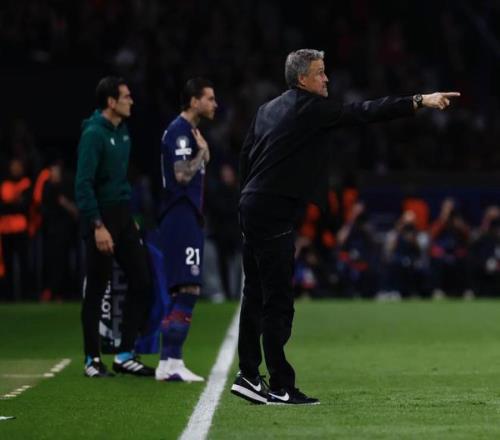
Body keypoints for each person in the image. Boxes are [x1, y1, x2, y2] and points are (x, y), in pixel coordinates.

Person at [230, 49, 460, 405]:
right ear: (302, 79)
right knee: (279, 301)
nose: (327, 79)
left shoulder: (266, 109)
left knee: (255, 293)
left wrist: (249, 197)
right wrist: (419, 100)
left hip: (251, 204)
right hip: (272, 209)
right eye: (320, 72)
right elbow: (364, 111)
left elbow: (246, 155)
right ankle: (279, 384)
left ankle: (248, 374)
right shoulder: (310, 108)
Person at [75, 76, 154, 378]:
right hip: (100, 218)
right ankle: (92, 359)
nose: (131, 101)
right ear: (111, 102)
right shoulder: (93, 134)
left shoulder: (123, 132)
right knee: (97, 288)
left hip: (122, 215)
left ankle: (124, 353)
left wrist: (128, 217)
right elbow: (83, 185)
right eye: (126, 96)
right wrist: (97, 225)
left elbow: (120, 181)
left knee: (142, 281)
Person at [155, 78, 217, 382]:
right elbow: (181, 176)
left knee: (183, 288)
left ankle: (169, 362)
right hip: (181, 215)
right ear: (194, 101)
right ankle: (172, 361)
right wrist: (202, 154)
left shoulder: (186, 131)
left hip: (184, 216)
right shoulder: (181, 132)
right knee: (188, 288)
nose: (215, 104)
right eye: (210, 98)